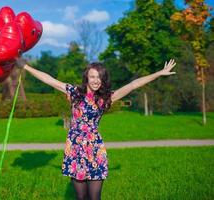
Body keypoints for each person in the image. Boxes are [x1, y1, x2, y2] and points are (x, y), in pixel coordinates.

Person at [16, 59, 176, 200]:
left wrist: (159, 73)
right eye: (92, 76)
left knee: (94, 197)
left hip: (95, 149)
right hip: (75, 149)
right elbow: (49, 80)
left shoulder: (106, 98)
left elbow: (133, 85)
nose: (96, 80)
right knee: (81, 197)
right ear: (86, 78)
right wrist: (26, 67)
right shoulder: (74, 93)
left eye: (99, 77)